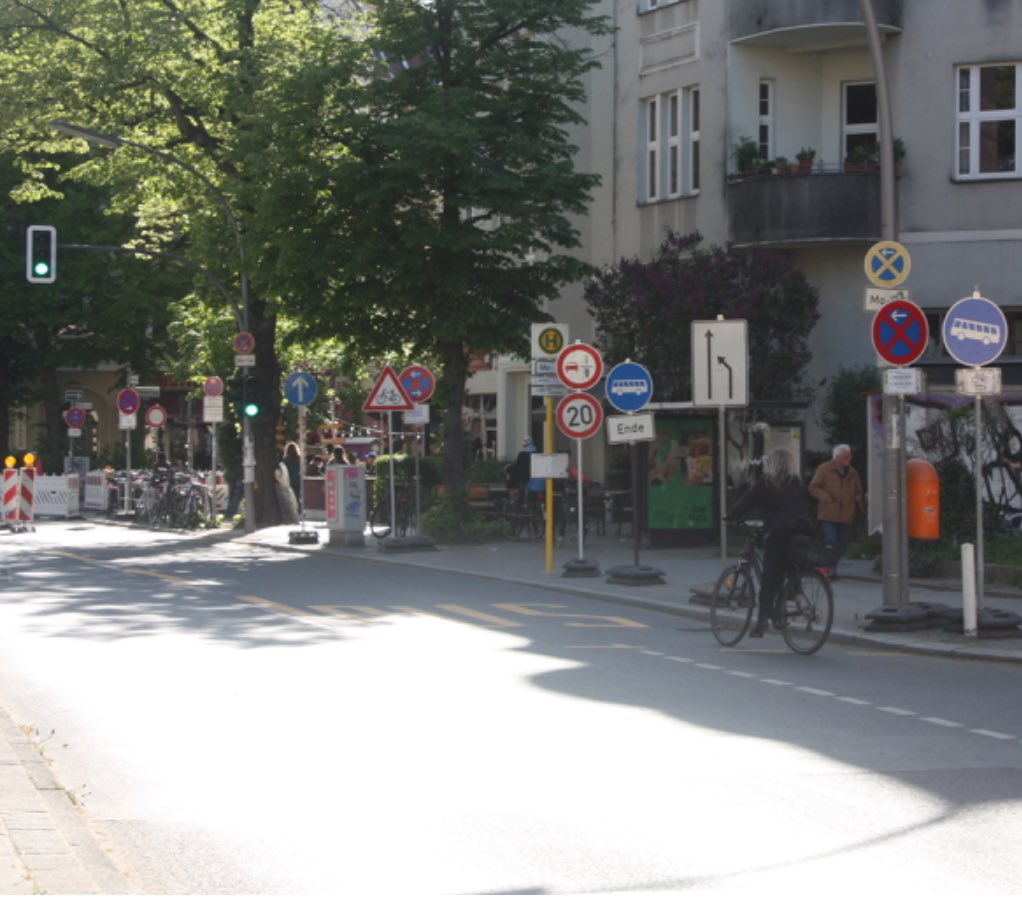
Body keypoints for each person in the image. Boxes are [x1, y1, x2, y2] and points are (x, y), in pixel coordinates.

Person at [726, 447, 813, 638]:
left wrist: (732, 515)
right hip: (800, 530)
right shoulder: (797, 481)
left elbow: (749, 500)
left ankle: (761, 622)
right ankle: (789, 600)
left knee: (770, 578)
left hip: (778, 531)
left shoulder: (767, 481)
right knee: (789, 569)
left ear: (772, 463)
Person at [808, 443, 864, 579]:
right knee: (831, 541)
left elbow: (859, 490)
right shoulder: (824, 469)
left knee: (840, 544)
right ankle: (830, 569)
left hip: (846, 514)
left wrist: (856, 501)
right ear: (837, 458)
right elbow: (813, 487)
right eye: (846, 457)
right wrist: (825, 497)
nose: (849, 459)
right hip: (829, 513)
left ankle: (832, 567)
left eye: (850, 456)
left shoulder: (852, 472)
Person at [283, 442, 302, 510]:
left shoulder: (285, 460)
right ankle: (298, 509)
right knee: (297, 496)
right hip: (297, 479)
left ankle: (292, 509)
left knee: (290, 496)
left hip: (289, 480)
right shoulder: (299, 459)